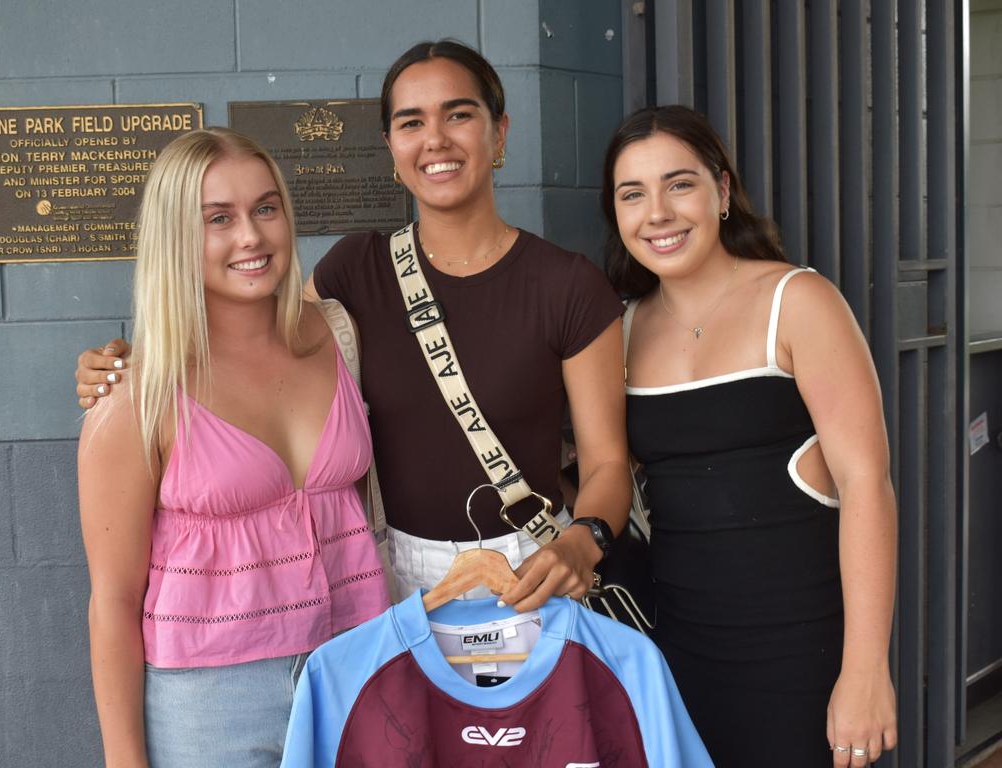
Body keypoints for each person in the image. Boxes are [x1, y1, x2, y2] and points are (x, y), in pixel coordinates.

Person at [75, 40, 630, 614]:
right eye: (411, 122)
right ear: (392, 147)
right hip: (392, 579)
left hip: (532, 572)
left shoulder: (569, 286)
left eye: (459, 114)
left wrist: (581, 543)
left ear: (500, 133)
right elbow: (252, 337)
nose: (436, 139)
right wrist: (132, 363)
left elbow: (608, 462)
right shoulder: (357, 268)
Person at [77, 128, 390, 768]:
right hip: (210, 701)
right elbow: (111, 600)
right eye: (218, 219)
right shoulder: (136, 394)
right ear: (175, 237)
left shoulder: (336, 333)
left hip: (357, 665)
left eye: (265, 208)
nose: (251, 236)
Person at [601, 104, 898, 768]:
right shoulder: (619, 330)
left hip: (802, 648)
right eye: (632, 193)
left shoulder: (798, 301)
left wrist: (866, 670)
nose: (658, 212)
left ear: (723, 191)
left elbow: (866, 486)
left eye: (679, 184)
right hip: (675, 646)